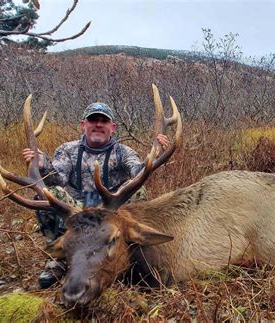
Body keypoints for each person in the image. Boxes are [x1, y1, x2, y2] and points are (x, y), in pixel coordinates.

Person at [22, 102, 168, 288]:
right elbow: (57, 179)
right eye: (93, 120)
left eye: (103, 121)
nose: (98, 124)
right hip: (77, 212)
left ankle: (127, 253)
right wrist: (42, 165)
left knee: (138, 190)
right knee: (48, 194)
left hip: (111, 214)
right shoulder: (67, 150)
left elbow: (139, 172)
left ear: (112, 128)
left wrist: (155, 156)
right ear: (83, 125)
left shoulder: (123, 152)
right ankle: (59, 259)